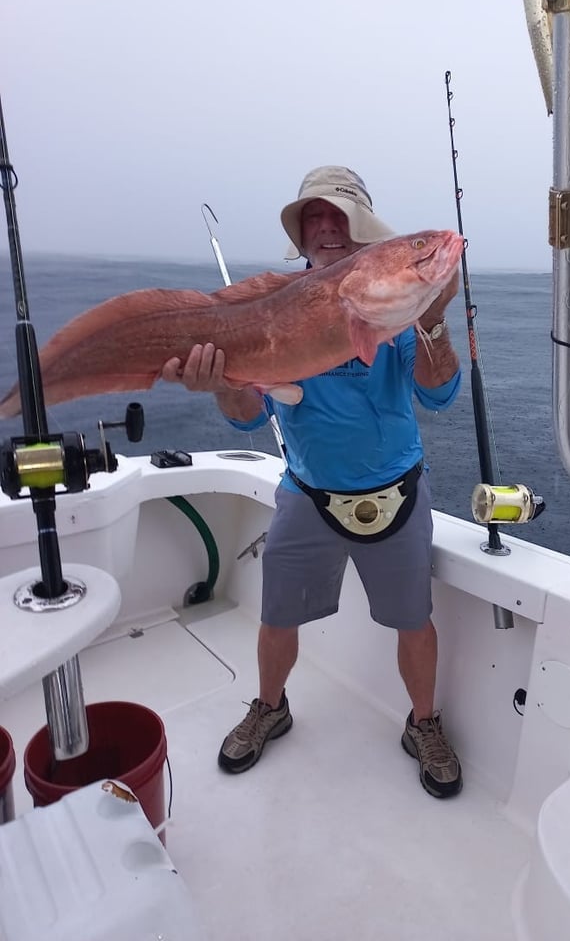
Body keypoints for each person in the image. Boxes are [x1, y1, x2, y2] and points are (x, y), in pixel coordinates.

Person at [161, 166, 463, 798]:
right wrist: (221, 381)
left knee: (416, 621)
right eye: (313, 219)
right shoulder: (275, 310)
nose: (325, 227)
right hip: (307, 493)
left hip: (396, 494)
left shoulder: (394, 303)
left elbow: (440, 394)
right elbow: (248, 418)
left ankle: (423, 722)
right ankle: (270, 706)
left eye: (338, 217)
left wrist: (430, 317)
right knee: (276, 618)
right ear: (300, 237)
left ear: (360, 231)